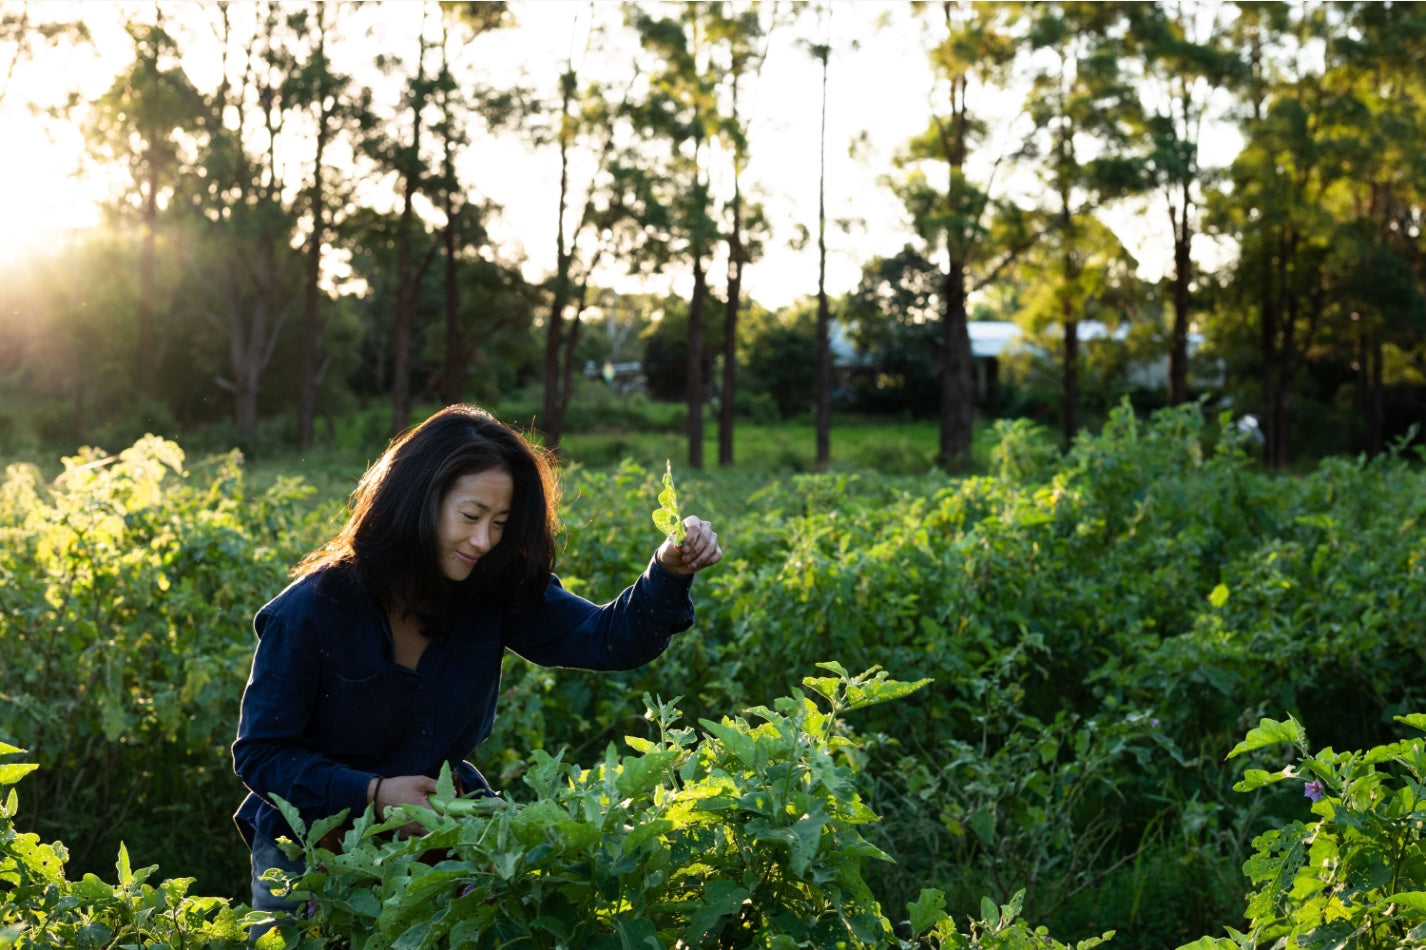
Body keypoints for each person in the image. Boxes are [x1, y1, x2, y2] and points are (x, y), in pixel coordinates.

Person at [231, 404, 721, 935]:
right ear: (417, 500)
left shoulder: (490, 590)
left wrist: (668, 570)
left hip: (440, 822)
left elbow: (607, 639)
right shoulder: (309, 612)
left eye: (500, 524)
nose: (484, 541)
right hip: (307, 839)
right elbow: (262, 754)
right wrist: (373, 792)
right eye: (470, 517)